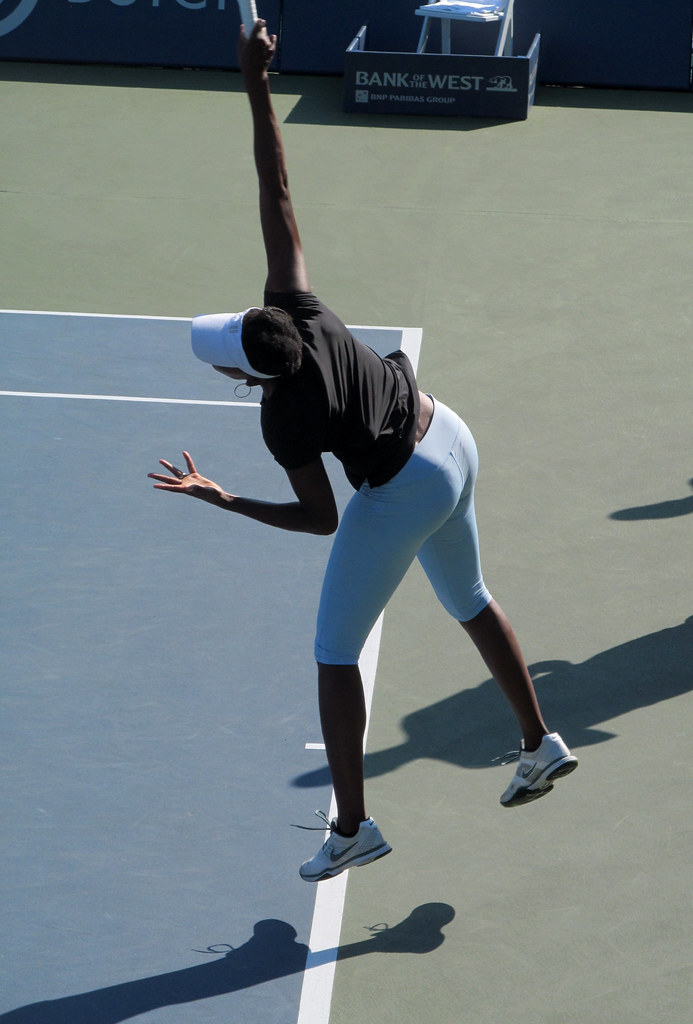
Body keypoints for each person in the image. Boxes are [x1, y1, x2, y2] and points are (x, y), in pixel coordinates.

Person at [148, 19, 577, 884]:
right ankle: (540, 742)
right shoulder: (295, 308)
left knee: (334, 653)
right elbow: (276, 190)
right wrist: (256, 82)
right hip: (450, 435)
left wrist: (220, 497)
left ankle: (352, 827)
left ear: (242, 373)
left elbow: (320, 519)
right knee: (472, 597)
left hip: (405, 488)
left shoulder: (283, 421)